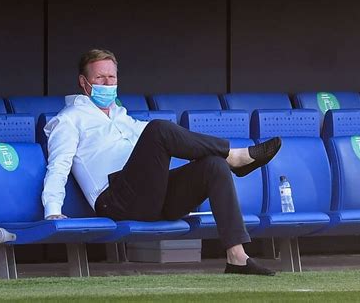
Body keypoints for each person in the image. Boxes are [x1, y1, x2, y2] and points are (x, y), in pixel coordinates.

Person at [42, 49, 281, 276]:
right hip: (115, 200)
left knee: (213, 166)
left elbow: (159, 142)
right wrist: (53, 211)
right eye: (100, 78)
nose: (107, 84)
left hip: (151, 198)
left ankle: (237, 257)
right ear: (84, 82)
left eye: (112, 78)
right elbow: (58, 165)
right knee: (159, 129)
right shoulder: (69, 120)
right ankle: (234, 156)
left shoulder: (120, 116)